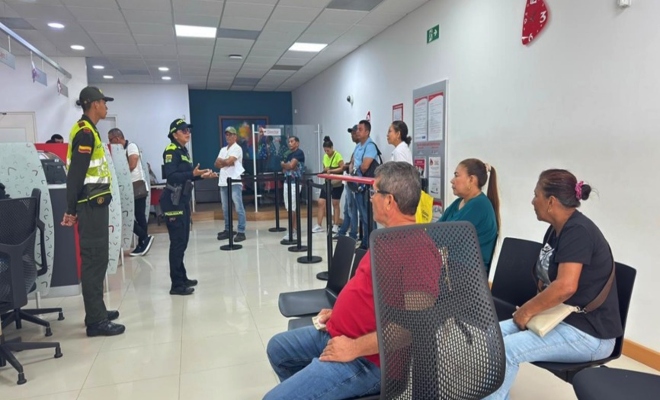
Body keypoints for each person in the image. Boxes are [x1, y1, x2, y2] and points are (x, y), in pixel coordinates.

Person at [264, 162, 440, 399]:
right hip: (339, 333)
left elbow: (413, 326)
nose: (371, 198)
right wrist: (337, 312)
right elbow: (367, 291)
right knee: (277, 349)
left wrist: (354, 348)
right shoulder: (386, 237)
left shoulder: (418, 250)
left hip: (368, 360)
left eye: (374, 192)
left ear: (389, 201)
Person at [484, 169, 622, 400]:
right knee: (492, 336)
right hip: (560, 318)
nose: (532, 201)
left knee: (508, 349)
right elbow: (547, 280)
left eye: (535, 195)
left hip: (590, 333)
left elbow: (566, 286)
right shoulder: (556, 230)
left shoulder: (579, 232)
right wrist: (531, 309)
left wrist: (527, 311)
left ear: (551, 201)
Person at [61, 86, 125, 337]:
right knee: (93, 259)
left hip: (94, 204)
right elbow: (76, 175)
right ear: (93, 104)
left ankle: (96, 311)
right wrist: (71, 209)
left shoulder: (90, 130)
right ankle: (96, 321)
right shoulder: (85, 133)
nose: (106, 106)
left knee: (98, 259)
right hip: (89, 205)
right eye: (103, 102)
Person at [161, 118, 217, 296]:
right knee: (177, 243)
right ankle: (176, 285)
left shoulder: (183, 150)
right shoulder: (171, 151)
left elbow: (187, 175)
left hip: (182, 200)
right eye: (183, 130)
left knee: (183, 241)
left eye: (189, 130)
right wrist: (192, 173)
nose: (188, 133)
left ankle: (182, 277)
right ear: (174, 134)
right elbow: (171, 176)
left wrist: (201, 176)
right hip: (173, 201)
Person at [439, 158, 500, 268]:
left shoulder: (479, 205)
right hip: (455, 269)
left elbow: (443, 237)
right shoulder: (459, 202)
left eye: (456, 175)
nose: (452, 180)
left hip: (470, 274)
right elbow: (436, 229)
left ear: (471, 180)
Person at [107, 128, 154, 256]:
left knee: (138, 216)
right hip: (127, 188)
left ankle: (143, 240)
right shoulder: (119, 151)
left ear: (117, 138)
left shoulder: (131, 147)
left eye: (111, 140)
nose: (110, 143)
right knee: (129, 217)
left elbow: (132, 165)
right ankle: (144, 239)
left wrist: (118, 174)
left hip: (136, 186)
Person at [215, 126, 247, 243]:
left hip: (234, 182)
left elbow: (228, 161)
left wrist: (225, 162)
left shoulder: (237, 148)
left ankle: (241, 231)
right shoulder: (223, 149)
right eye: (227, 134)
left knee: (238, 207)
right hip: (223, 182)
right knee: (225, 208)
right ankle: (228, 229)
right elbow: (216, 164)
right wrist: (227, 162)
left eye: (230, 134)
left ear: (235, 136)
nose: (228, 137)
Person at [353, 119, 380, 249]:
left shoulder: (370, 146)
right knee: (362, 215)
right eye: (357, 129)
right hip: (357, 185)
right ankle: (365, 242)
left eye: (360, 129)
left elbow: (364, 167)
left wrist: (356, 170)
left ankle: (373, 244)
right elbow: (353, 162)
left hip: (367, 186)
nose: (357, 132)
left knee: (368, 216)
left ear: (367, 132)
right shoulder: (358, 146)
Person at [312, 136, 344, 234]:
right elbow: (325, 168)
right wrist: (326, 170)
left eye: (328, 150)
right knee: (321, 202)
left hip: (337, 183)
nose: (327, 152)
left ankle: (336, 225)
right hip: (327, 183)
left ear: (332, 148)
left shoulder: (338, 155)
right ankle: (319, 225)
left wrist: (332, 171)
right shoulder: (325, 157)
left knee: (335, 204)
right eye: (325, 151)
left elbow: (342, 168)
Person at [333, 125, 360, 241]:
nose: (352, 136)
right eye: (351, 134)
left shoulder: (362, 148)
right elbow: (353, 164)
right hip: (349, 180)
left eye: (354, 133)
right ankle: (343, 231)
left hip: (355, 183)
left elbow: (359, 166)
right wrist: (347, 165)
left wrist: (346, 166)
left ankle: (353, 234)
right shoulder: (357, 148)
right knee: (347, 209)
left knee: (351, 208)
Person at [280, 136, 305, 240]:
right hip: (287, 182)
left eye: (292, 141)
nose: (290, 143)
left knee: (293, 207)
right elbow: (284, 169)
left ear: (297, 143)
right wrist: (286, 165)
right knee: (289, 207)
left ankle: (293, 231)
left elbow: (290, 166)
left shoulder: (299, 153)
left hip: (295, 183)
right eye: (289, 141)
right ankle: (293, 228)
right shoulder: (289, 154)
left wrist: (285, 165)